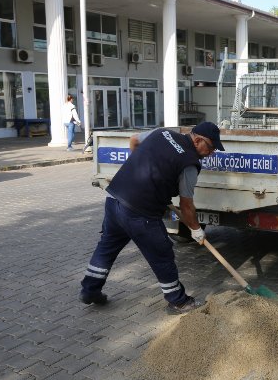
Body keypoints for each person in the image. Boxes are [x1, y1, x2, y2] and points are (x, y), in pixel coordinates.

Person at [79, 122, 225, 314]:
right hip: (140, 213)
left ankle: (90, 291)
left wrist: (139, 171)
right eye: (211, 147)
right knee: (162, 254)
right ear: (198, 140)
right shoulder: (189, 163)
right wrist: (196, 230)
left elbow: (134, 140)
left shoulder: (162, 133)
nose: (211, 153)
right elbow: (186, 205)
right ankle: (178, 301)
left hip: (114, 200)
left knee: (107, 247)